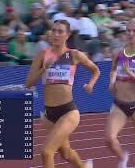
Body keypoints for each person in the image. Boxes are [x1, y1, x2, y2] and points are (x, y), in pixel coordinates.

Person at [25, 20, 100, 168]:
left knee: (47, 152)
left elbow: (96, 70)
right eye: (54, 31)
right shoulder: (42, 55)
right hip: (49, 114)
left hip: (68, 111)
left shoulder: (74, 55)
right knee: (65, 153)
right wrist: (43, 69)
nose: (56, 34)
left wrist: (91, 84)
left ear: (67, 35)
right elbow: (29, 84)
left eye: (60, 31)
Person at [105, 19, 135, 168]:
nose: (131, 33)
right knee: (109, 139)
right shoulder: (118, 53)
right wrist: (111, 82)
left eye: (134, 31)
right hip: (119, 105)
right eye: (128, 30)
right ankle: (123, 158)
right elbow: (113, 70)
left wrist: (133, 75)